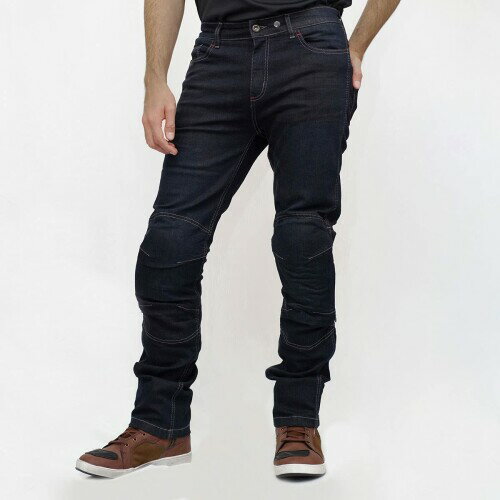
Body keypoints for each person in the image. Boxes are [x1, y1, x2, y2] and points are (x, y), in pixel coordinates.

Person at [76, 0, 401, 479]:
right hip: (218, 52)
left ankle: (298, 420)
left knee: (302, 238)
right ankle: (160, 424)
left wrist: (355, 45)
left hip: (311, 46)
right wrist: (154, 79)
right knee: (170, 242)